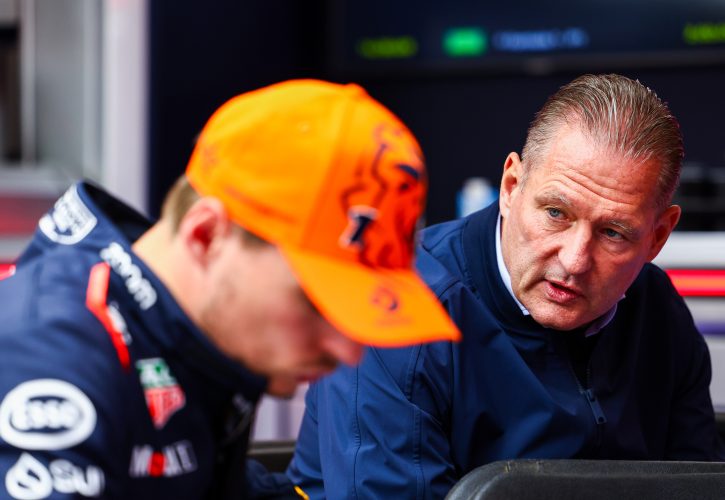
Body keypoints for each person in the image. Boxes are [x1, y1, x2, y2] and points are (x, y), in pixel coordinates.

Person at [0, 79, 460, 499]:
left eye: (362, 305)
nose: (348, 349)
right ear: (206, 236)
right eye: (317, 302)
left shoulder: (181, 337)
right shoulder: (53, 357)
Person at [287, 73, 725, 499]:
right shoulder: (396, 313)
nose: (574, 261)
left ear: (657, 237)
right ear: (512, 186)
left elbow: (697, 485)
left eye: (613, 233)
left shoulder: (657, 309)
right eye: (556, 213)